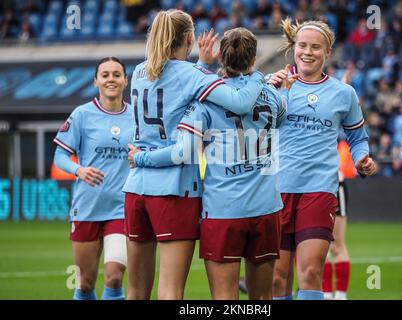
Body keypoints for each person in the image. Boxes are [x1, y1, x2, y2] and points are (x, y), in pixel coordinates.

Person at [129, 27, 285, 300]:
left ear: (222, 57)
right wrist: (266, 80)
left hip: (223, 209)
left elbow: (183, 152)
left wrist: (140, 158)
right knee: (262, 299)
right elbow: (280, 113)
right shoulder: (273, 97)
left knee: (224, 298)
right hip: (267, 206)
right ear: (253, 58)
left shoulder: (203, 103)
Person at [268, 19, 377, 300]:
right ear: (294, 48)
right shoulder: (273, 86)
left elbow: (357, 137)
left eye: (316, 47)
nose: (308, 52)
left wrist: (361, 158)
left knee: (311, 272)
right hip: (275, 191)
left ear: (328, 52)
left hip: (319, 190)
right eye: (302, 45)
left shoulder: (344, 94)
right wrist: (271, 92)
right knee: (278, 278)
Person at [53, 57, 132, 300]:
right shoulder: (82, 115)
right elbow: (60, 155)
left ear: (125, 81)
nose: (111, 79)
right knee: (85, 284)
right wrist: (79, 170)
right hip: (87, 208)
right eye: (105, 75)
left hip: (121, 209)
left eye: (116, 74)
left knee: (115, 277)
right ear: (95, 81)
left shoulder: (137, 116)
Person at [322, 139, 355, 300]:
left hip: (333, 184)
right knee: (318, 247)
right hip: (310, 187)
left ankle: (341, 295)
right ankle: (327, 294)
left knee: (336, 245)